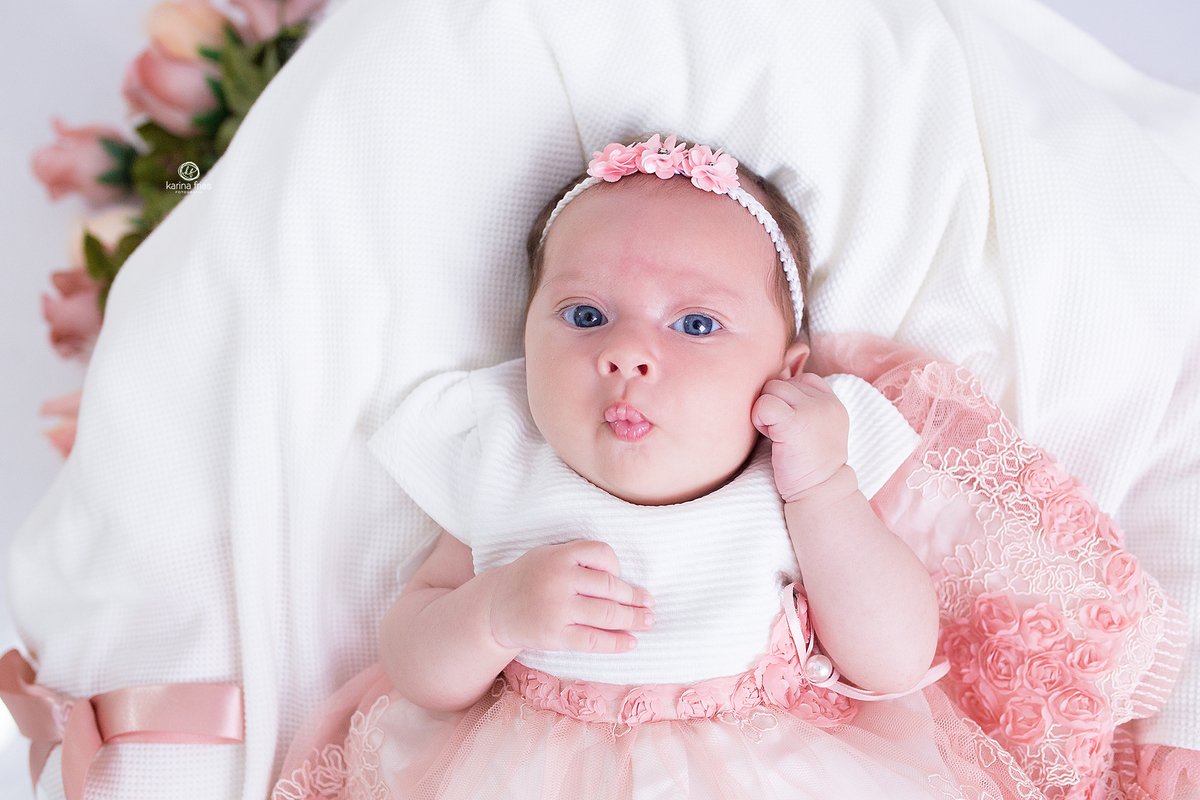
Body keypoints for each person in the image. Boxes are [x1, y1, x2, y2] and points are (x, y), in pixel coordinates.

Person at [269, 136, 1064, 799]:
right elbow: (414, 665)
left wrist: (827, 490)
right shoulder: (504, 457)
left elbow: (894, 660)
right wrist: (494, 614)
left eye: (694, 323)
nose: (625, 354)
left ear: (786, 373)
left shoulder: (793, 477)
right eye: (585, 316)